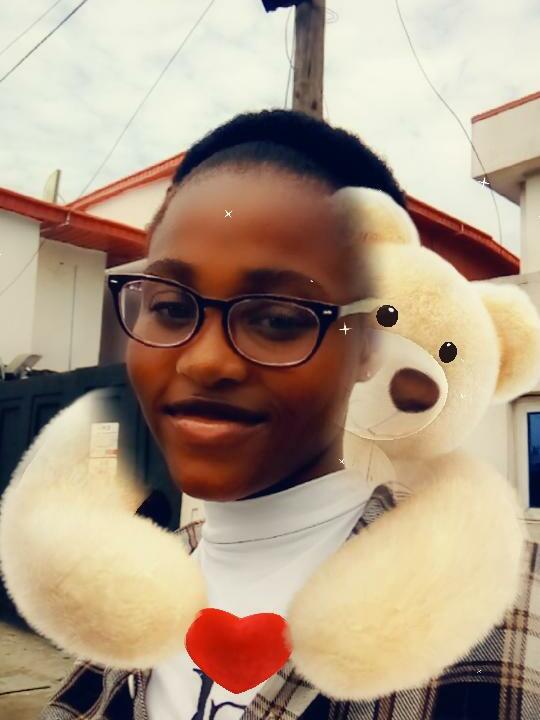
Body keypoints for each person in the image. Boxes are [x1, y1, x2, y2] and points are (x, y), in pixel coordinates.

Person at [31, 109, 538, 720]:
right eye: (169, 306)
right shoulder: (126, 598)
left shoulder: (511, 623)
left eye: (277, 318)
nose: (204, 361)